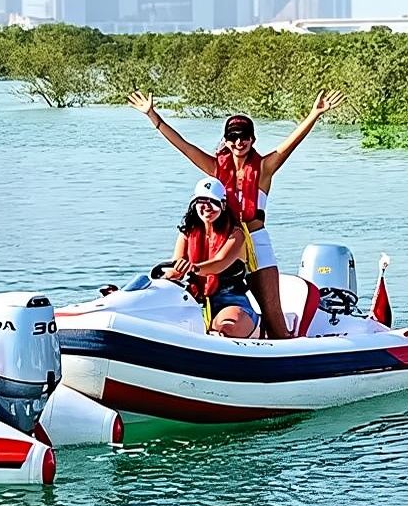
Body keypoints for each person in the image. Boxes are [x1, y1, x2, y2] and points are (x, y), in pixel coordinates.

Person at [128, 89, 344, 338]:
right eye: (233, 137)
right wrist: (153, 116)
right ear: (226, 140)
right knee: (214, 293)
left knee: (273, 316)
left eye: (244, 137)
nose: (239, 143)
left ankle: (277, 338)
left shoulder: (264, 168)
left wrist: (315, 114)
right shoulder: (216, 168)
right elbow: (185, 147)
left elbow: (290, 145)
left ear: (253, 139)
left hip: (256, 241)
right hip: (226, 239)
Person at [164, 178, 259, 339]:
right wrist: (165, 277)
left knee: (227, 327)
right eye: (201, 201)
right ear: (194, 204)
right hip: (194, 299)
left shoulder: (236, 234)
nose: (207, 207)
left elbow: (219, 263)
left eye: (213, 202)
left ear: (223, 205)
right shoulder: (187, 233)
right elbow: (175, 269)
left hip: (230, 299)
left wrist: (193, 267)